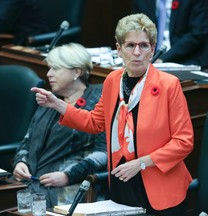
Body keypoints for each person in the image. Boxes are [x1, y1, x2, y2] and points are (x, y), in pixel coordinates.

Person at [31, 13, 194, 215]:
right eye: (130, 45)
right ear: (119, 49)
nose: (137, 52)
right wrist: (57, 104)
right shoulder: (113, 81)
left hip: (159, 187)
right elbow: (94, 122)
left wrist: (141, 163)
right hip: (121, 182)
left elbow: (183, 141)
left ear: (152, 50)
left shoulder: (169, 85)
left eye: (144, 46)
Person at [13, 43, 107, 208]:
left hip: (70, 188)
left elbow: (104, 153)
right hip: (32, 183)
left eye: (56, 69)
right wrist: (20, 162)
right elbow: (28, 140)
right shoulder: (48, 100)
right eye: (49, 68)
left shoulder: (98, 101)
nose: (49, 74)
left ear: (76, 72)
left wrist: (68, 175)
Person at [132, 0, 208, 69]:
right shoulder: (142, 1)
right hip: (149, 62)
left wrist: (163, 58)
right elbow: (137, 30)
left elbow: (197, 33)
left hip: (186, 61)